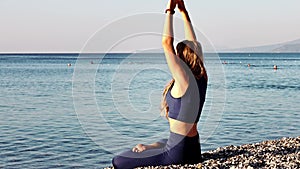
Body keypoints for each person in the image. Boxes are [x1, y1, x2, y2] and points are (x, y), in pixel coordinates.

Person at [112, 0, 208, 168]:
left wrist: (169, 11)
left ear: (182, 58)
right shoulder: (201, 77)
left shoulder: (184, 78)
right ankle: (149, 147)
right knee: (163, 141)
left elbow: (166, 44)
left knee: (118, 161)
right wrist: (184, 12)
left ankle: (150, 149)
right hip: (194, 148)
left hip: (178, 154)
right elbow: (194, 43)